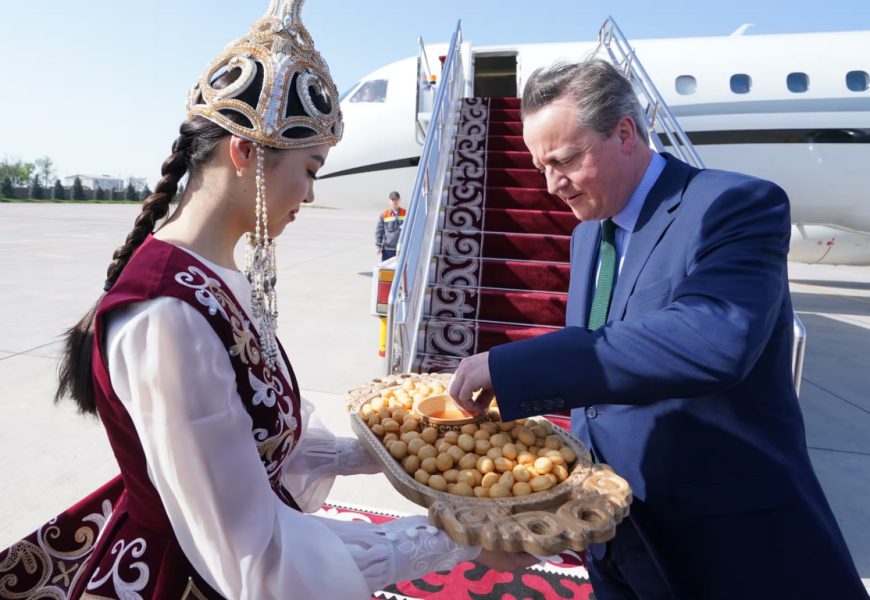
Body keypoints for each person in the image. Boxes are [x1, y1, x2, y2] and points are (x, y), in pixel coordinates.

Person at [0, 2, 533, 598]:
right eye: (309, 168)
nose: (309, 192)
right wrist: (456, 536)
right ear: (246, 154)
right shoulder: (167, 316)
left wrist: (402, 444)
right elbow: (254, 554)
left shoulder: (209, 274)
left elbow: (270, 448)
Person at [449, 59, 867, 599]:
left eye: (566, 160)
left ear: (625, 132)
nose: (553, 184)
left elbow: (713, 339)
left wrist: (512, 368)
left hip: (720, 539)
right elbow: (602, 382)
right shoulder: (586, 235)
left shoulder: (733, 204)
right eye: (540, 166)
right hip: (614, 536)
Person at [375, 190, 405, 260]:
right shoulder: (384, 214)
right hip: (388, 250)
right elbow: (379, 232)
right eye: (393, 199)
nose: (394, 201)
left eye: (396, 199)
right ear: (389, 201)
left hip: (401, 249)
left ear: (399, 200)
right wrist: (378, 246)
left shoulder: (406, 213)